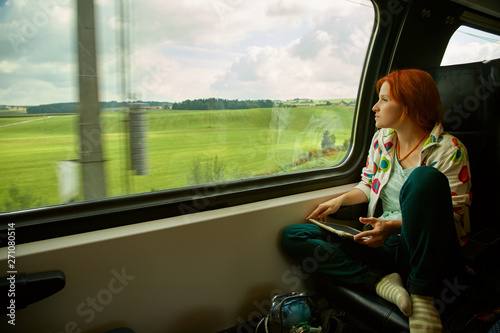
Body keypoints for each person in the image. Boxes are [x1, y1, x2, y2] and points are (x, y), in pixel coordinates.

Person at [281, 69, 472, 333]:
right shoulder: (382, 140)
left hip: (421, 248)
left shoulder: (449, 149)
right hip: (385, 241)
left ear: (409, 104)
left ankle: (421, 295)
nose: (375, 107)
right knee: (294, 234)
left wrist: (393, 226)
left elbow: (453, 220)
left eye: (384, 100)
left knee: (424, 179)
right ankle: (382, 283)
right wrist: (339, 201)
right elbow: (369, 184)